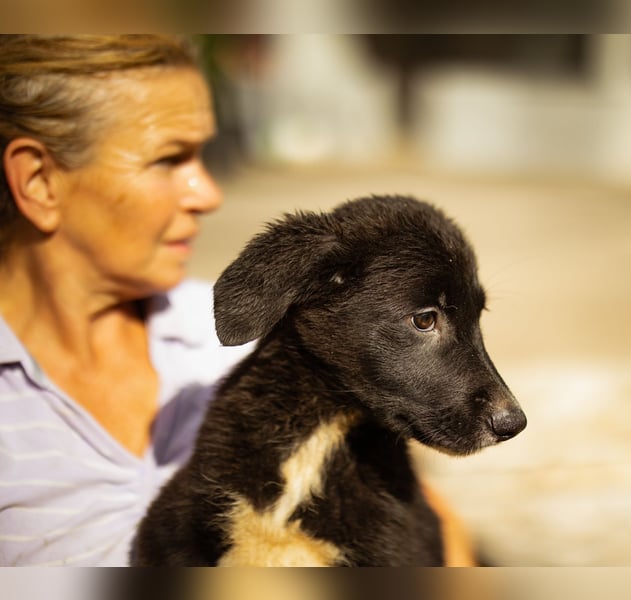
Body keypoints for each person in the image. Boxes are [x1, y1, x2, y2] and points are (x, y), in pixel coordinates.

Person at [0, 34, 474, 566]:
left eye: (202, 154)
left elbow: (425, 520)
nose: (208, 192)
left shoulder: (244, 325)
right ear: (39, 180)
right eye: (168, 159)